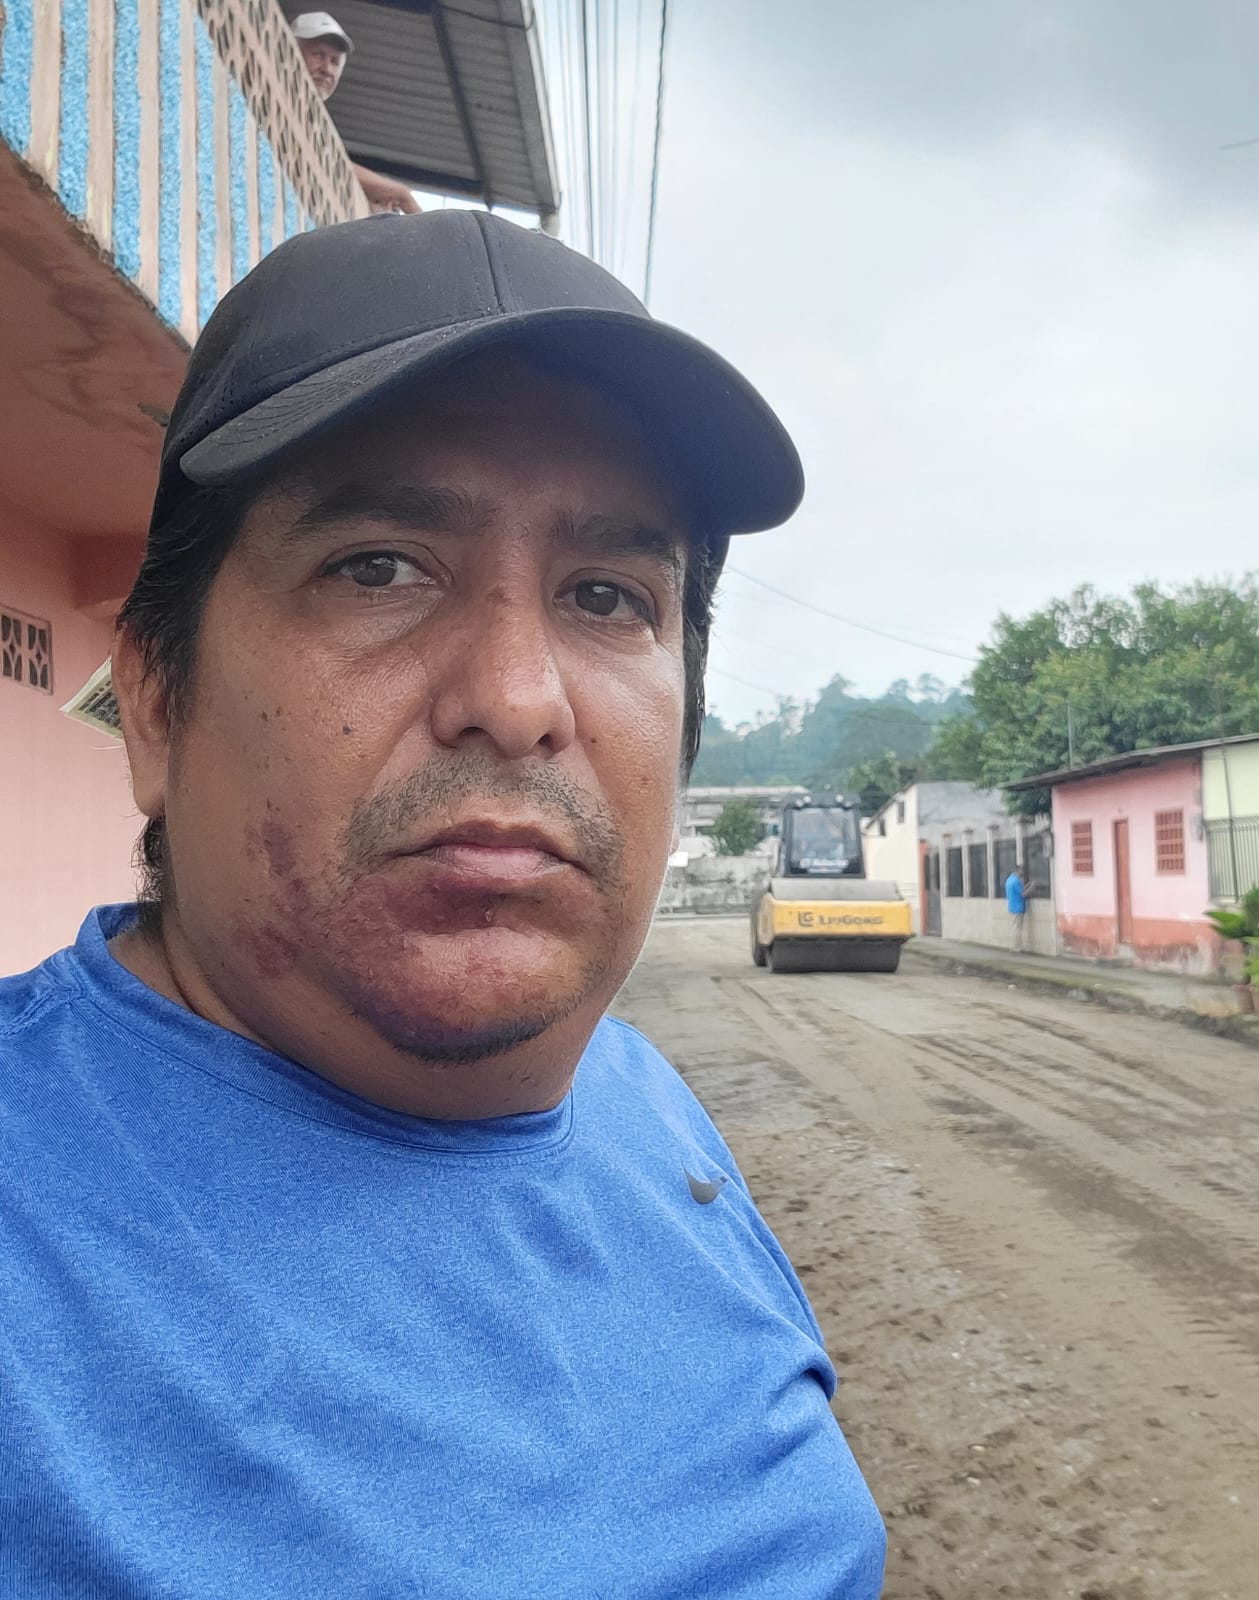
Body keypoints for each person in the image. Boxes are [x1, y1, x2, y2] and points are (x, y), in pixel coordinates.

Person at [0, 211, 884, 1597]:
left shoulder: (646, 1108)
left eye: (608, 596)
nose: (518, 701)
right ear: (160, 699)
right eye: (378, 567)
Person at [291, 11, 422, 215]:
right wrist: (400, 194)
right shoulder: (279, 95)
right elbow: (327, 159)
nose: (326, 69)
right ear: (292, 51)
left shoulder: (317, 122)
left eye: (335, 62)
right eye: (317, 54)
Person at [1005, 859, 1031, 950]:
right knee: (1018, 928)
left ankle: (1015, 946)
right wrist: (1031, 888)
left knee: (1015, 927)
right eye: (1021, 870)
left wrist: (1028, 885)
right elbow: (1023, 894)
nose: (1022, 872)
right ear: (1017, 870)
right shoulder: (1016, 881)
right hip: (1018, 907)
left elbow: (1019, 890)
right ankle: (1017, 947)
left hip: (1012, 906)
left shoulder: (1009, 880)